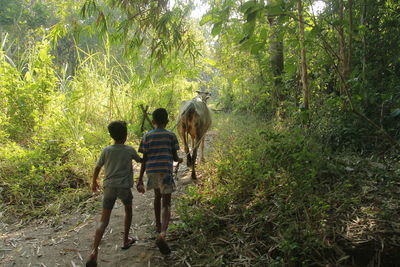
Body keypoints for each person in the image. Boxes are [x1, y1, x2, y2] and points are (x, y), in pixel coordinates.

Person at [86, 121, 142, 267]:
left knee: (103, 221)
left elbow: (97, 168)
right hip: (124, 188)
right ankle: (125, 240)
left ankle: (94, 251)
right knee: (128, 211)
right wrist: (147, 152)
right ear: (125, 136)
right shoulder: (129, 150)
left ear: (111, 136)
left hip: (109, 187)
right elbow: (141, 160)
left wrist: (94, 182)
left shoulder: (106, 150)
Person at [137, 108, 183, 255]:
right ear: (167, 121)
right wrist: (179, 160)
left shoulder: (146, 136)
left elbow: (144, 159)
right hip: (165, 172)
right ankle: (163, 233)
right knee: (167, 202)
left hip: (152, 171)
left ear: (153, 121)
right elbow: (175, 158)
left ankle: (157, 225)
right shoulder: (171, 135)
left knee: (157, 197)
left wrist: (139, 179)